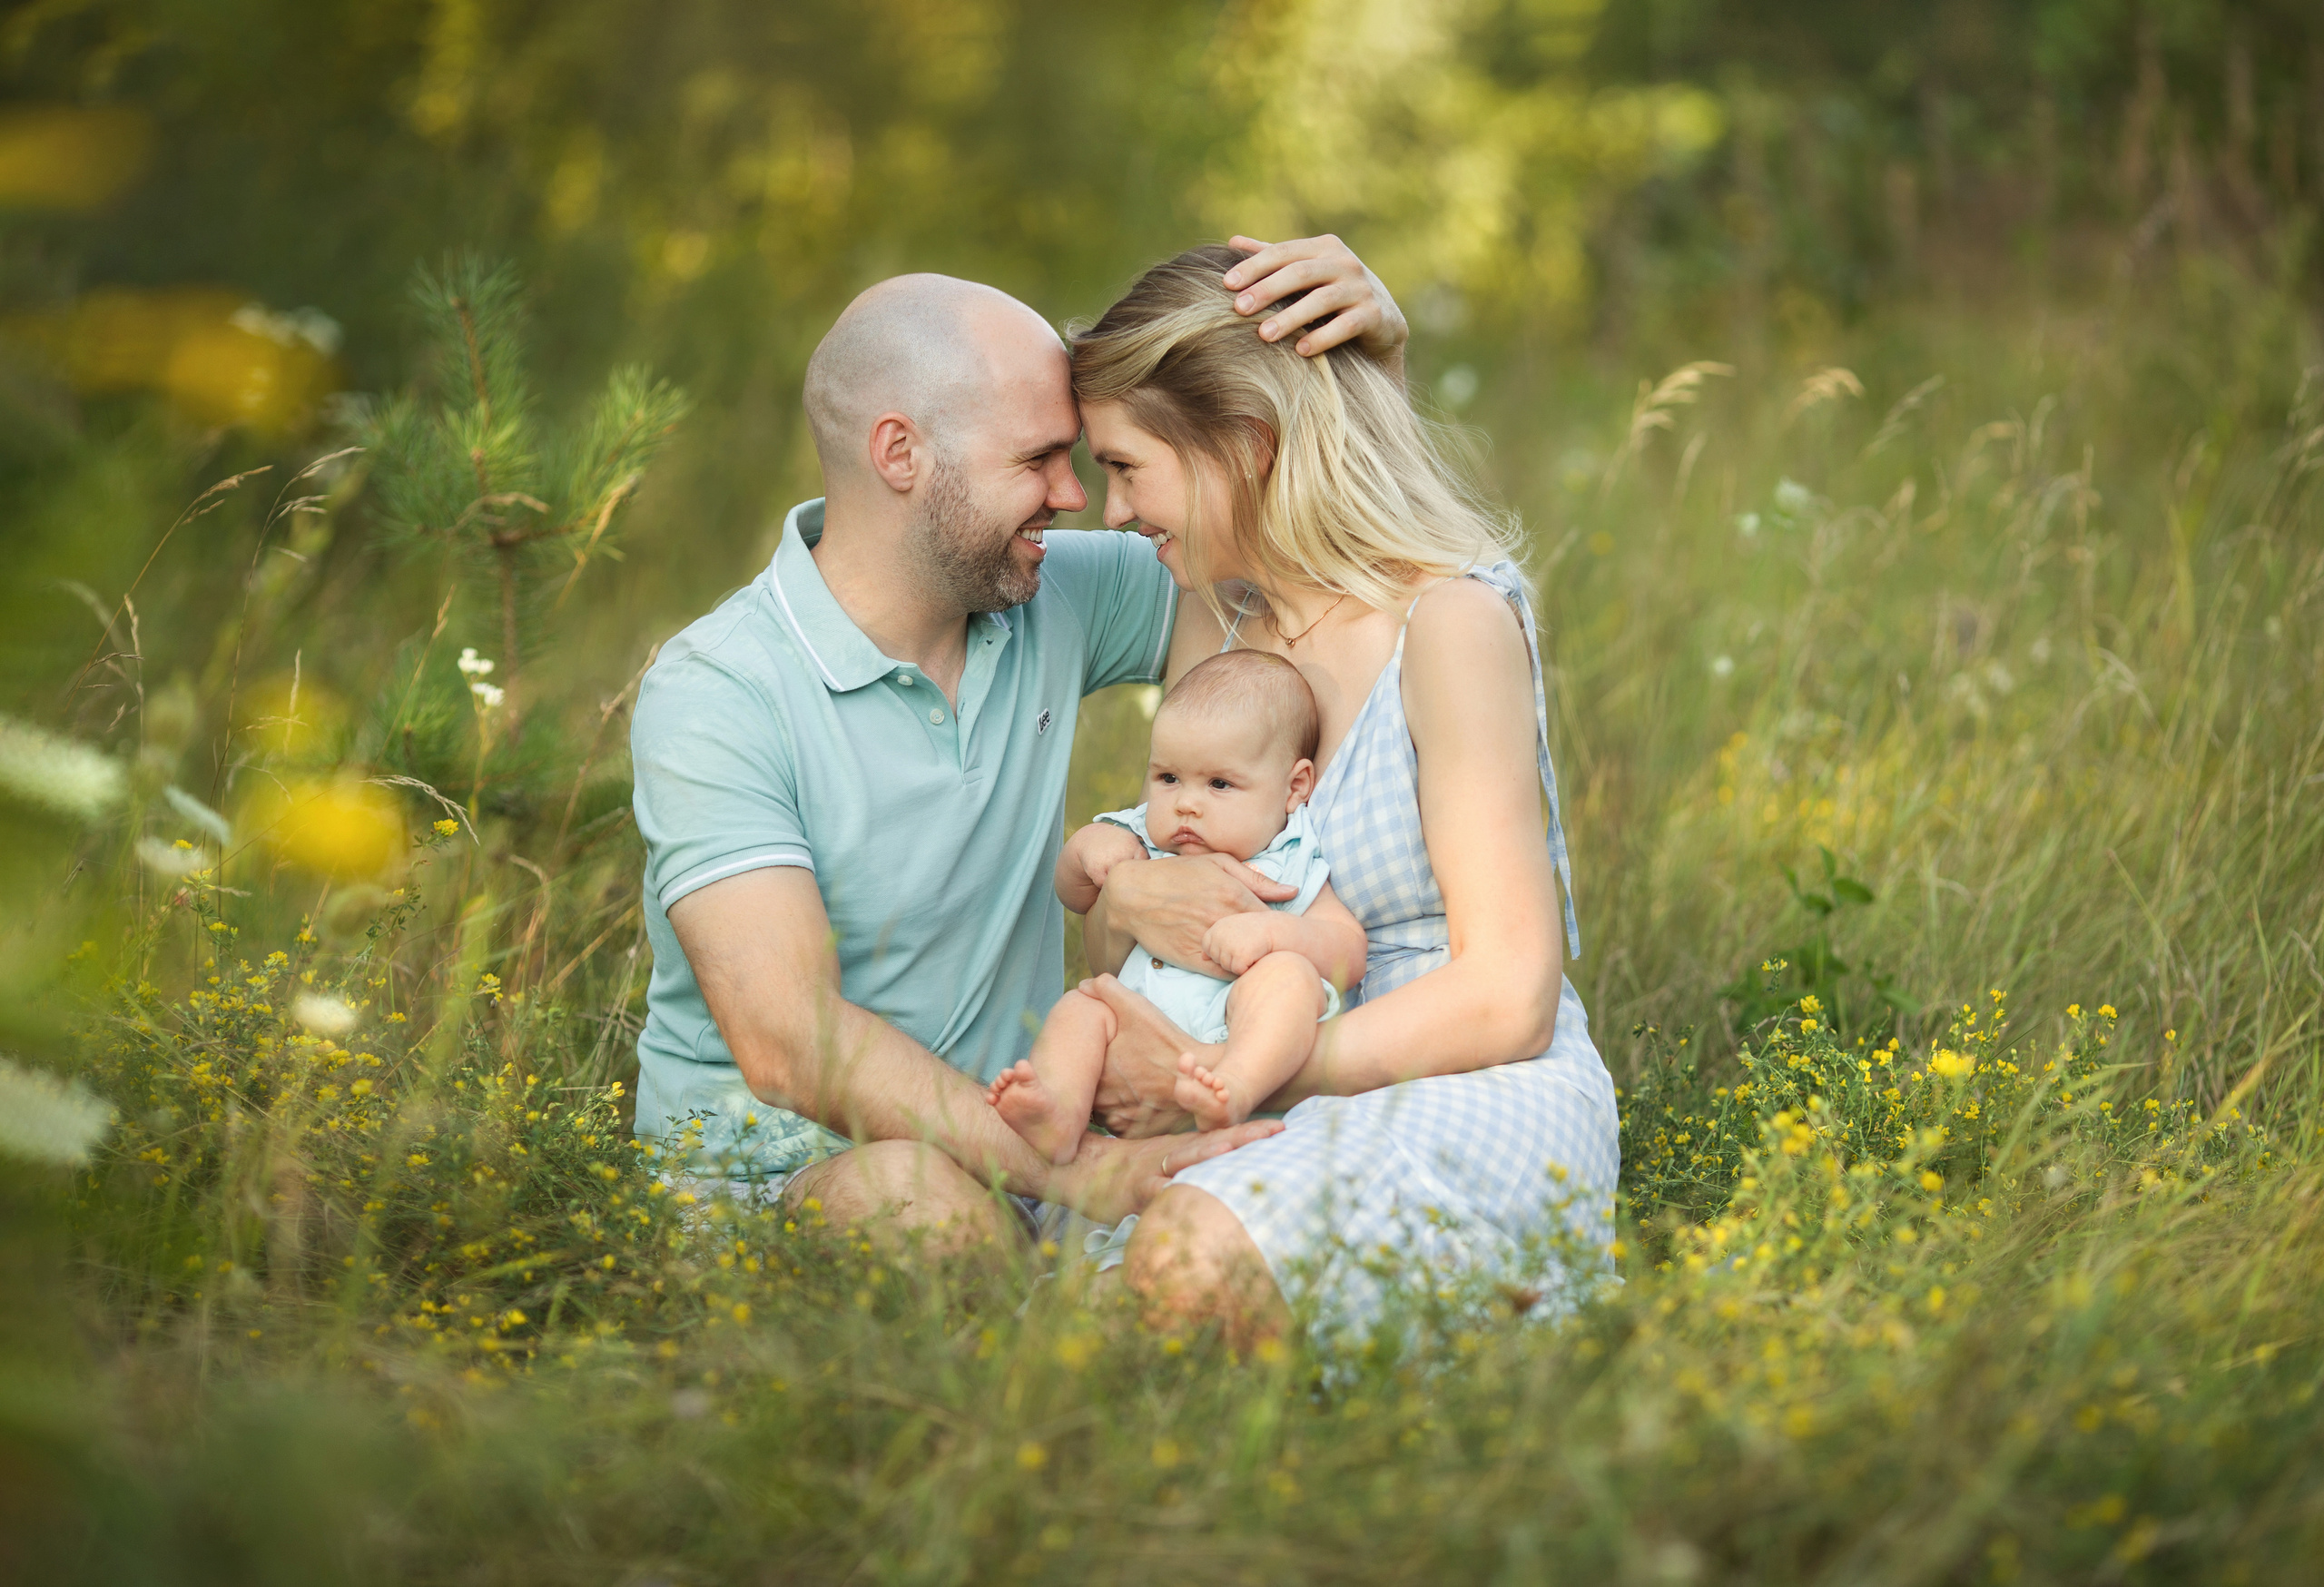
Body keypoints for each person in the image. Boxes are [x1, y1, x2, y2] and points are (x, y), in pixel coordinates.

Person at [627, 237, 1410, 1246]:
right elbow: (788, 1041)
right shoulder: (721, 690)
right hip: (784, 1176)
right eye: (1037, 458)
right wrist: (1086, 1170)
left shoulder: (1050, 591)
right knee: (927, 1210)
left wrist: (1370, 370)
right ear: (899, 453)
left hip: (1029, 1162)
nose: (1078, 495)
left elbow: (1288, 534)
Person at [1066, 244, 1620, 1345]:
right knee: (1039, 1288)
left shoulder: (1447, 625)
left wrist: (1229, 1076)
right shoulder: (1218, 623)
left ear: (1248, 447)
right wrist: (1124, 909)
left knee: (1180, 1265)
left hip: (1454, 1078)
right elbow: (1188, 905)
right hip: (1249, 1074)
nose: (1113, 510)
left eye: (1128, 468)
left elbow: (1507, 996)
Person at [986, 649, 1368, 1161]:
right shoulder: (1147, 833)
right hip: (1137, 1027)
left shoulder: (1290, 856)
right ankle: (1058, 1108)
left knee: (1286, 981)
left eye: (1219, 784)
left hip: (1236, 1027)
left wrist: (1274, 936)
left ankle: (1234, 1085)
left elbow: (1347, 948)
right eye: (1168, 778)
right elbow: (1073, 895)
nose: (1185, 803)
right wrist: (1088, 853)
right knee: (1084, 1006)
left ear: (1294, 788)